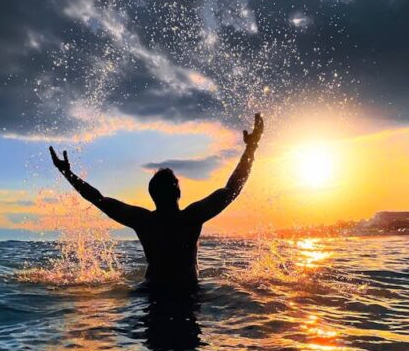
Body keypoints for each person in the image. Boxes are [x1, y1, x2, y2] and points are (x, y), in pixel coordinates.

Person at [49, 113, 263, 287]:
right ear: (178, 193)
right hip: (187, 293)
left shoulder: (144, 221)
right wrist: (250, 148)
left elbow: (99, 199)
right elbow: (233, 188)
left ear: (152, 195)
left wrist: (67, 174)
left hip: (150, 293)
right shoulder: (191, 218)